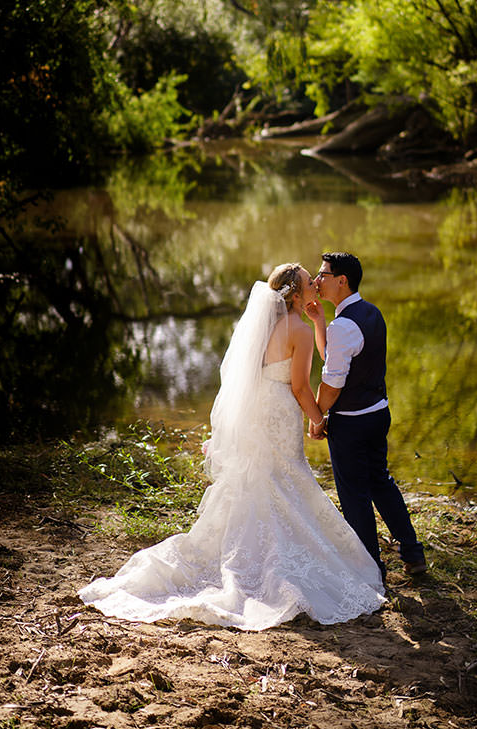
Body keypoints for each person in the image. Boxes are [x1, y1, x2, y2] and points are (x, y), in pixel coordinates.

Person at [78, 264, 385, 631]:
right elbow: (301, 388)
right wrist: (319, 420)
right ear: (294, 294)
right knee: (284, 476)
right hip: (280, 412)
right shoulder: (299, 331)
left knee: (258, 477)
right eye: (308, 282)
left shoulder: (263, 327)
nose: (315, 286)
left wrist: (318, 327)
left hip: (257, 409)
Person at [307, 251, 427, 579]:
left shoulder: (343, 326)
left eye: (322, 275)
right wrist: (319, 323)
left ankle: (371, 570)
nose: (317, 281)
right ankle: (413, 553)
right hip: (378, 414)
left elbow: (332, 383)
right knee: (381, 483)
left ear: (341, 280)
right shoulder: (370, 312)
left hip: (352, 422)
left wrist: (317, 417)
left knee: (355, 496)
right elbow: (334, 356)